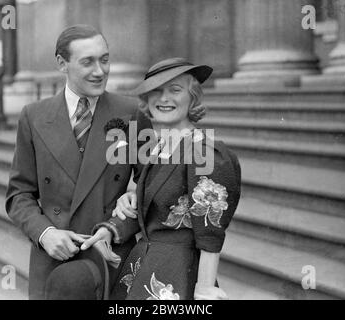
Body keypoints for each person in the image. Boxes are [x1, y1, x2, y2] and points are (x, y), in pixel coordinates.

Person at [5, 24, 146, 300]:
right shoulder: (33, 116)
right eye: (88, 62)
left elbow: (151, 188)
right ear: (62, 63)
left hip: (111, 256)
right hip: (54, 258)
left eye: (104, 59)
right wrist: (45, 233)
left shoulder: (131, 113)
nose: (100, 70)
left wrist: (117, 224)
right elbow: (19, 194)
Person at [85, 57, 241, 300]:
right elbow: (155, 207)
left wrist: (204, 288)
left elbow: (210, 232)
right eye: (155, 91)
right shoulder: (157, 148)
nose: (163, 98)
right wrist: (115, 223)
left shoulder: (206, 153)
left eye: (175, 90)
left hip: (178, 276)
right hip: (142, 267)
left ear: (193, 97)